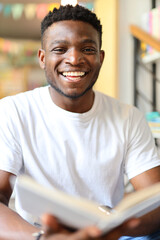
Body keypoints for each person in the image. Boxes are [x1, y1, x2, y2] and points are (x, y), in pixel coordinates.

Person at [0, 4, 160, 240]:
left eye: (87, 48)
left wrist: (114, 229)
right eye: (60, 49)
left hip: (108, 233)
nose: (74, 59)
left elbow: (153, 197)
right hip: (41, 234)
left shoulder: (128, 117)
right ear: (43, 58)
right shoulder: (13, 111)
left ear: (100, 58)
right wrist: (44, 237)